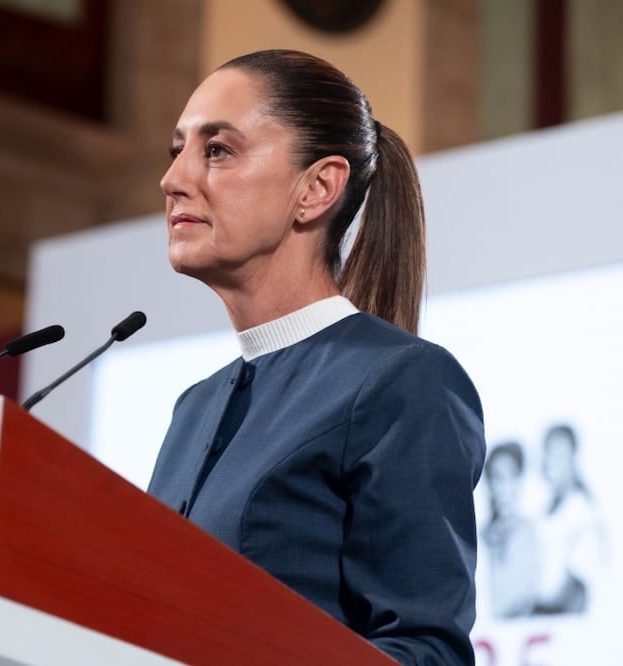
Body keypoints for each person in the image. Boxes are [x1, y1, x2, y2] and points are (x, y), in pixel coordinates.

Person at [146, 50, 486, 664]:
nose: (173, 179)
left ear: (318, 188)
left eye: (217, 149)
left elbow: (427, 649)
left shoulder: (403, 381)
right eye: (177, 151)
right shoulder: (192, 408)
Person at [532, 423, 607, 614]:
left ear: (573, 458)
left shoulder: (582, 511)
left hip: (563, 619)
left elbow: (580, 584)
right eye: (548, 453)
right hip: (541, 615)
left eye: (558, 455)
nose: (551, 462)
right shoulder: (545, 511)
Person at [481, 442, 539, 618]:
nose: (505, 487)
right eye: (498, 478)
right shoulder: (480, 537)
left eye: (511, 476)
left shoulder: (530, 533)